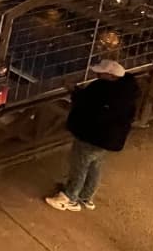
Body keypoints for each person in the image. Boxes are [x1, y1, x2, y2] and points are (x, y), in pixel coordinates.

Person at [45, 59, 139, 212]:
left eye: (101, 73)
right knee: (95, 166)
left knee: (79, 165)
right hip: (109, 138)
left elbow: (87, 103)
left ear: (111, 76)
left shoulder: (103, 88)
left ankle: (69, 198)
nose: (97, 74)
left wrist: (73, 91)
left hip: (92, 135)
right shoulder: (127, 91)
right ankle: (86, 196)